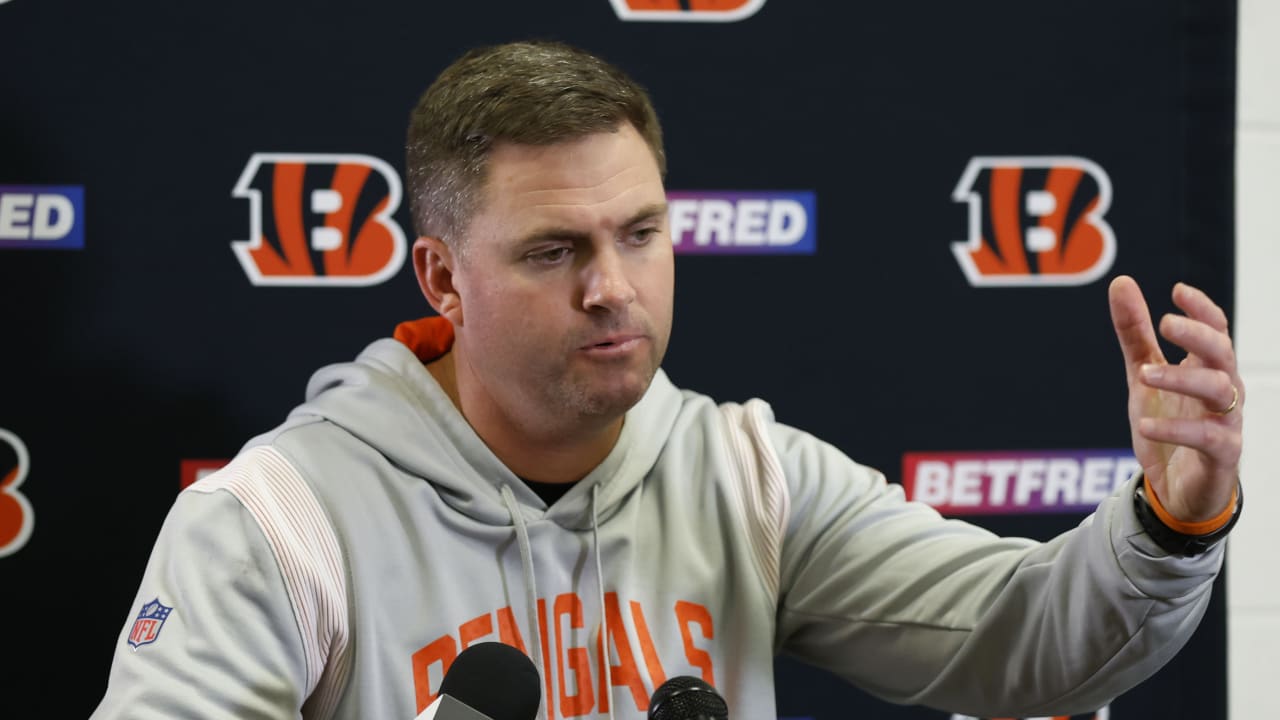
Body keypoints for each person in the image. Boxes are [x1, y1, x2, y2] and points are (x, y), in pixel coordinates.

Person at [91, 39, 1244, 720]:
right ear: (441, 277)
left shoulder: (742, 477)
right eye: (553, 252)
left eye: (639, 233)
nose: (612, 289)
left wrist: (1170, 524)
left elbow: (1027, 639)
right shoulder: (278, 523)